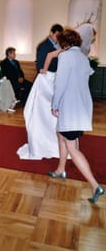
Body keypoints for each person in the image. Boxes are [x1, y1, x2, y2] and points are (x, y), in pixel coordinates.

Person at [48, 29, 105, 204]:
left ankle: (95, 186)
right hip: (81, 105)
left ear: (64, 42)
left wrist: (54, 104)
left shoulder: (66, 57)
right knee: (60, 134)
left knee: (72, 147)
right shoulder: (82, 57)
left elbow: (60, 83)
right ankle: (60, 169)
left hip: (70, 107)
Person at [17, 24, 63, 160]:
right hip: (46, 79)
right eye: (56, 36)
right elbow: (41, 65)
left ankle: (54, 138)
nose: (58, 39)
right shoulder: (43, 46)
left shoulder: (57, 45)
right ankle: (42, 140)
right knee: (43, 109)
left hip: (54, 78)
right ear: (51, 33)